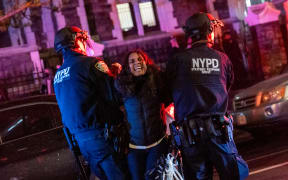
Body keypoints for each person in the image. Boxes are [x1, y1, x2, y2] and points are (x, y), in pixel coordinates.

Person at [166, 12, 249, 180]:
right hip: (219, 133)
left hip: (190, 136)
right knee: (233, 174)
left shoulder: (177, 60)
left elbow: (166, 93)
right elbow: (227, 85)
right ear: (209, 30)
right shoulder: (222, 59)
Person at [53, 26, 126, 180]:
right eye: (84, 40)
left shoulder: (58, 75)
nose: (86, 44)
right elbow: (115, 97)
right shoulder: (90, 64)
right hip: (102, 136)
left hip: (82, 142)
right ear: (77, 41)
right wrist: (116, 75)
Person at [114, 49, 169, 180]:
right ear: (127, 66)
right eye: (132, 61)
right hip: (134, 147)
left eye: (140, 59)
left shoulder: (157, 79)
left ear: (146, 62)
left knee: (152, 177)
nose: (137, 63)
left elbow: (168, 100)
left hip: (157, 144)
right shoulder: (121, 86)